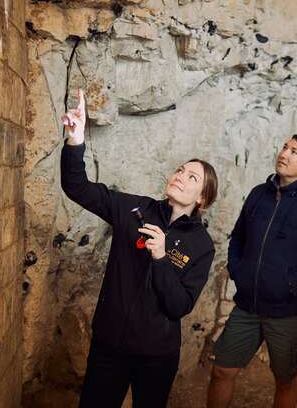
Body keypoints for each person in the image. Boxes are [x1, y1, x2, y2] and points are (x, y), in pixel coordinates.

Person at [60, 90, 218, 408]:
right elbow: (77, 188)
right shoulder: (135, 209)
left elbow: (179, 306)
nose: (180, 177)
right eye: (179, 170)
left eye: (192, 177)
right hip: (109, 345)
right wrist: (75, 142)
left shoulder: (201, 246)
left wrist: (160, 257)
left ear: (202, 197)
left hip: (156, 355)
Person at [207, 134, 297, 408]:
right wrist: (237, 270)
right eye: (284, 148)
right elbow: (238, 237)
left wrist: (292, 286)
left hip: (288, 313)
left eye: (294, 152)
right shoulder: (259, 193)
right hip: (247, 306)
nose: (284, 154)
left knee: (285, 379)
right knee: (222, 370)